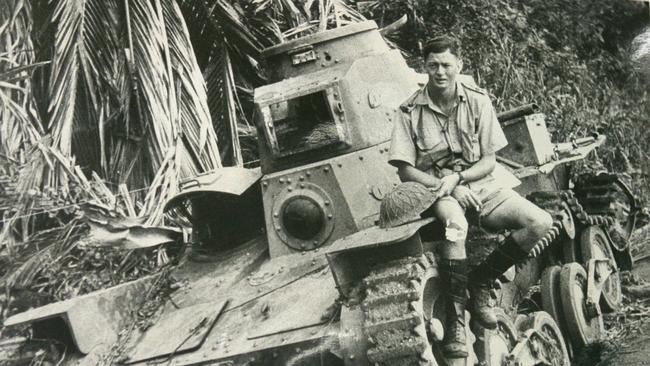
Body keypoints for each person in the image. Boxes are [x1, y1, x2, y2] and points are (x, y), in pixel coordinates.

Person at [388, 35, 553, 359]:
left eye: (446, 65)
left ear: (458, 66)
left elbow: (489, 161)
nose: (439, 72)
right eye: (433, 65)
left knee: (540, 222)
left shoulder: (477, 101)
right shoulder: (409, 111)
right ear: (425, 67)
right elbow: (406, 171)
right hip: (435, 191)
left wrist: (460, 178)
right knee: (454, 226)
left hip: (481, 184)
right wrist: (446, 186)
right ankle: (455, 321)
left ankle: (481, 281)